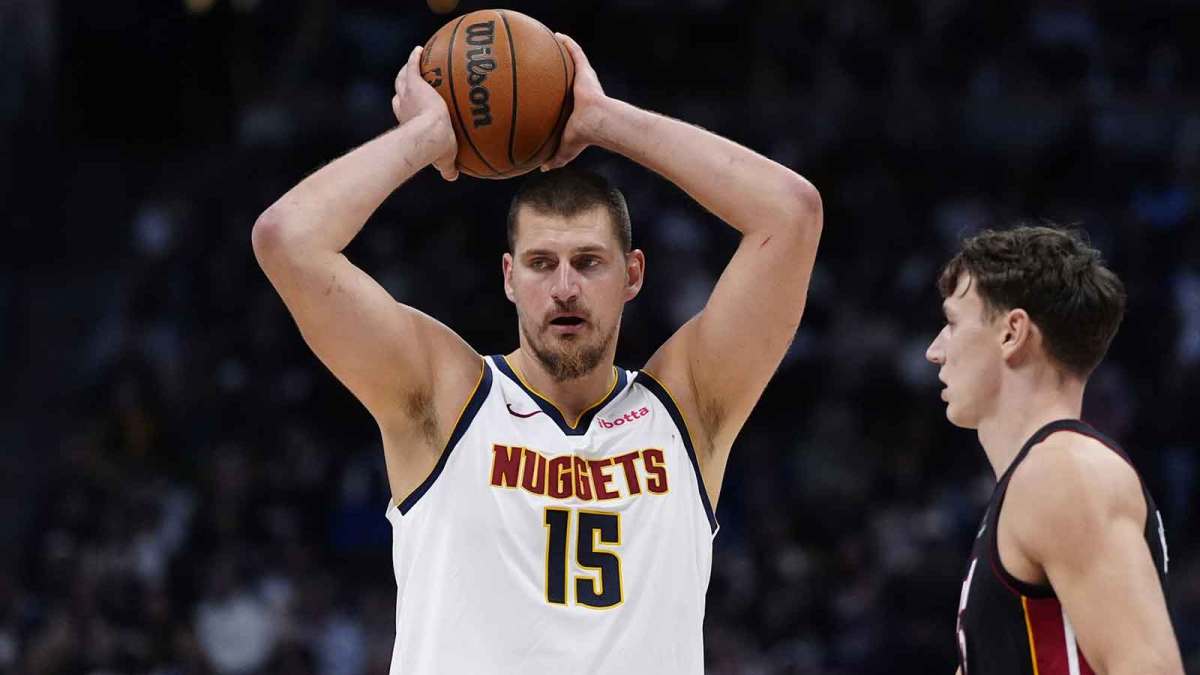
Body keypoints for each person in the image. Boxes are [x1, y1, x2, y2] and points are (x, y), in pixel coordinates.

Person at [251, 35, 822, 674]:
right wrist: (428, 138)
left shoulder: (689, 407)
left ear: (633, 275)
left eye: (589, 262)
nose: (565, 287)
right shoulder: (445, 398)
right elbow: (287, 240)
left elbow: (791, 214)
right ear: (508, 277)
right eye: (541, 264)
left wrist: (605, 120)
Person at [925, 226, 1184, 675]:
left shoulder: (1065, 473)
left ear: (1012, 332)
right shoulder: (1041, 480)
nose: (934, 351)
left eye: (952, 323)